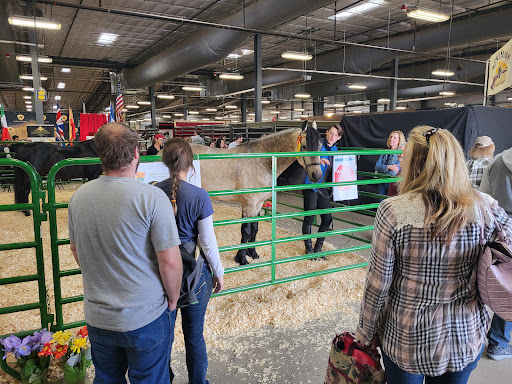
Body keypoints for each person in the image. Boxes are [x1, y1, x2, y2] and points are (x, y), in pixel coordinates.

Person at [356, 125, 512, 383]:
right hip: (465, 335)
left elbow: (378, 283)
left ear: (414, 163)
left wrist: (365, 332)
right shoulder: (486, 208)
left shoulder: (392, 211)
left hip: (406, 338)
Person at [67, 123, 183, 383]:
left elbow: (76, 249)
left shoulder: (79, 197)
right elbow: (170, 261)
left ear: (100, 155)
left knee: (107, 377)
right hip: (145, 315)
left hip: (98, 316)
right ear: (135, 153)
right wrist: (173, 300)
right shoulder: (153, 198)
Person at [155, 138, 224, 384]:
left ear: (164, 162)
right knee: (194, 336)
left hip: (161, 275)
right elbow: (207, 241)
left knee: (165, 337)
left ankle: (166, 379)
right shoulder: (200, 196)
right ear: (191, 164)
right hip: (196, 276)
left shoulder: (153, 192)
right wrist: (218, 271)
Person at [480, 145, 512, 361]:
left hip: (499, 229)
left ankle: (496, 341)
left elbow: (485, 198)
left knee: (503, 283)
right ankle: (499, 342)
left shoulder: (497, 161)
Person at [302, 124, 343, 256]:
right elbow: (307, 158)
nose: (332, 137)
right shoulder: (317, 144)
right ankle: (309, 249)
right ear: (326, 133)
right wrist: (319, 159)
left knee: (327, 218)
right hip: (311, 185)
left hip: (323, 185)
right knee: (309, 217)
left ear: (339, 137)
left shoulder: (335, 150)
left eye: (336, 135)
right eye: (331, 133)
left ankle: (318, 248)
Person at [375, 130, 405, 196]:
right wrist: (389, 167)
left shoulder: (401, 153)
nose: (392, 139)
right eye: (391, 137)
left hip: (392, 183)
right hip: (382, 182)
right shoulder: (384, 152)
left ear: (399, 140)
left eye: (395, 138)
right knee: (381, 202)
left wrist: (382, 170)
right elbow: (376, 167)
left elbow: (394, 172)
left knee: (391, 203)